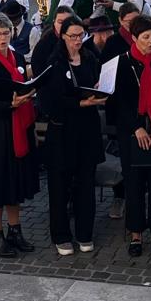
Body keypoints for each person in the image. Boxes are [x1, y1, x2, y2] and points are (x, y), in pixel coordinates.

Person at [106, 16, 151, 258]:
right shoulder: (122, 64)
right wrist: (136, 127)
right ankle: (135, 233)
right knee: (134, 184)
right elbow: (119, 103)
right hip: (132, 134)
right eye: (145, 37)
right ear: (134, 38)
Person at [37, 15, 106, 256]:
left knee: (85, 185)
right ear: (63, 37)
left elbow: (99, 82)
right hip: (62, 131)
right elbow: (49, 101)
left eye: (81, 36)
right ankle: (61, 235)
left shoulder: (90, 58)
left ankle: (85, 232)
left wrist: (99, 92)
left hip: (87, 131)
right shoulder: (54, 63)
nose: (78, 40)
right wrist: (80, 103)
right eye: (73, 36)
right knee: (60, 186)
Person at [0, 12, 41, 257]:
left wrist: (29, 91)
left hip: (19, 125)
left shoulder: (15, 56)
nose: (2, 38)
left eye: (6, 33)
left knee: (14, 182)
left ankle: (15, 231)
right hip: (0, 129)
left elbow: (22, 82)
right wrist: (12, 104)